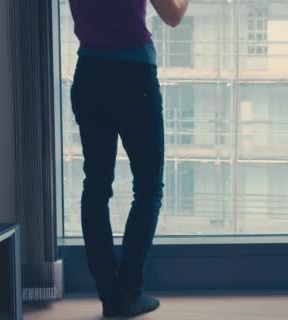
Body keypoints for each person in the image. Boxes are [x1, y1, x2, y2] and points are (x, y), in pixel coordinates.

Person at [68, 0, 189, 317]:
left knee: (95, 187)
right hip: (133, 77)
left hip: (89, 75)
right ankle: (128, 292)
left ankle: (110, 296)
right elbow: (173, 15)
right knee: (148, 189)